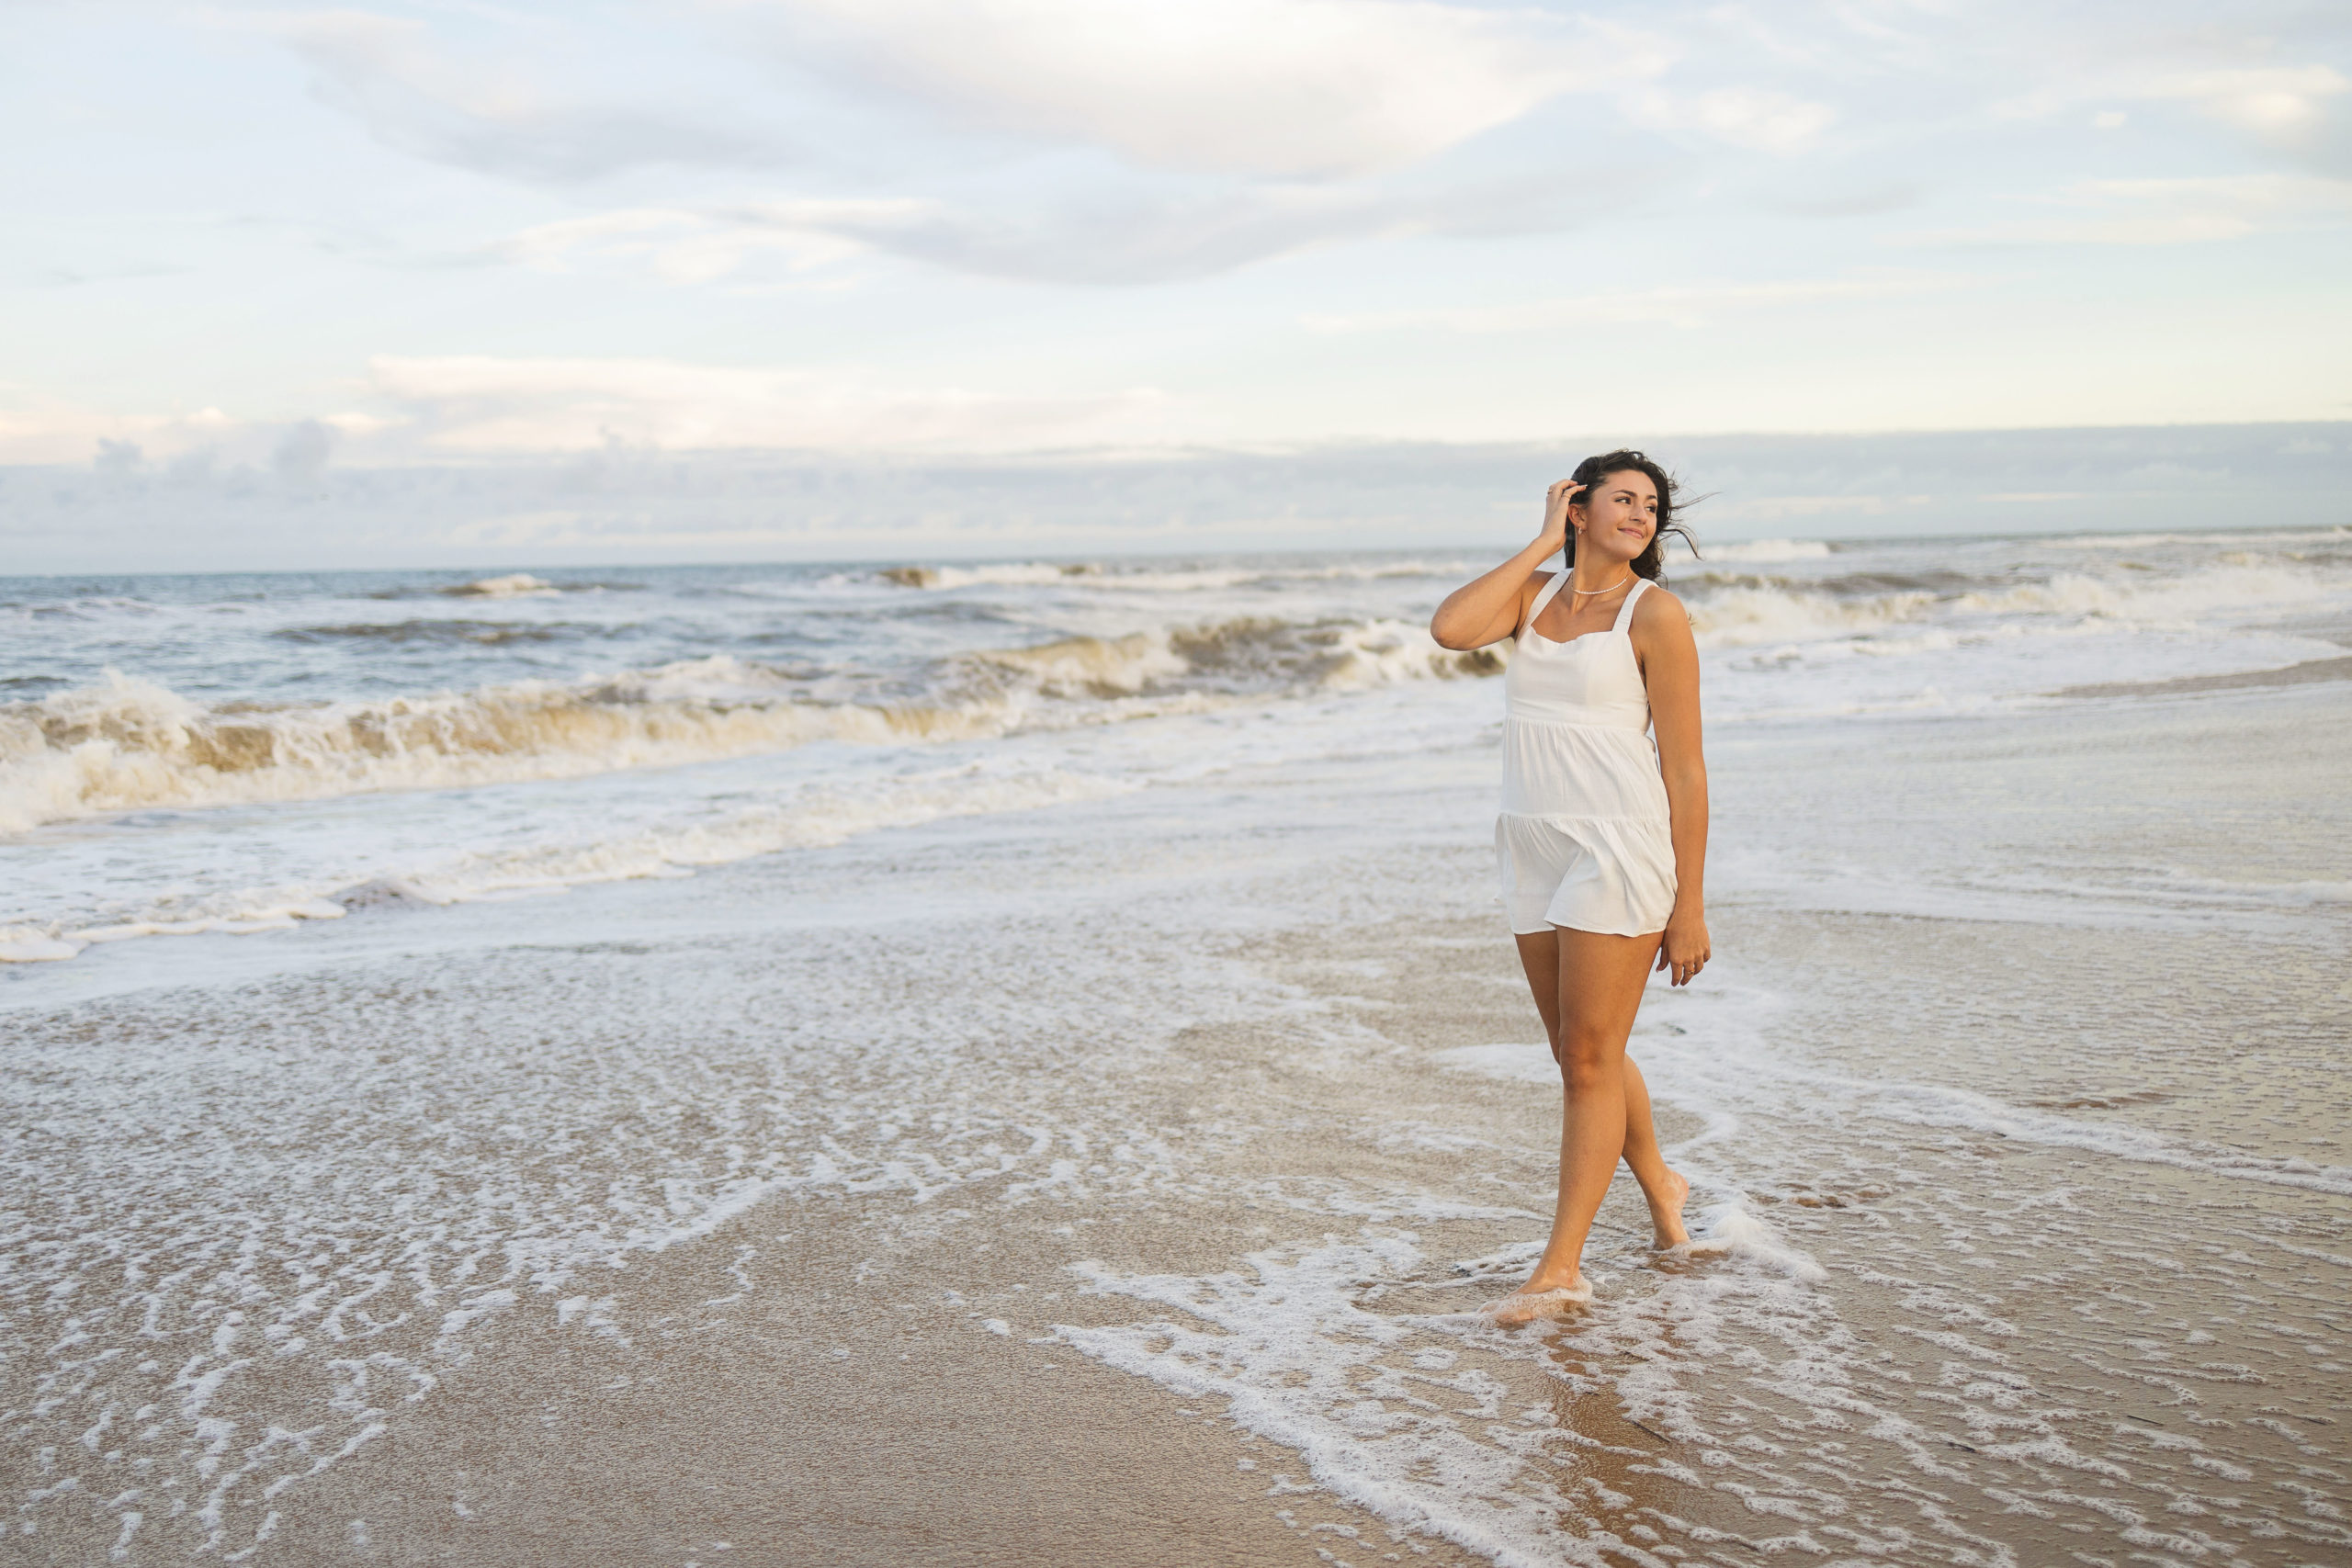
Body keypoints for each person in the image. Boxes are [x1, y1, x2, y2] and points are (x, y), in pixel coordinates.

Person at [1430, 450, 1710, 1325]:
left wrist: (1689, 903)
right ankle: (1662, 1181)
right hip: (1533, 840)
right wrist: (1539, 542)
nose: (1640, 515)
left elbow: (1688, 768)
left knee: (1588, 1057)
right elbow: (1449, 629)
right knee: (1580, 1047)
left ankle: (1561, 1266)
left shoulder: (1654, 613)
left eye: (1651, 506)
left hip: (1618, 846)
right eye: (1621, 499)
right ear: (1578, 507)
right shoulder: (1533, 595)